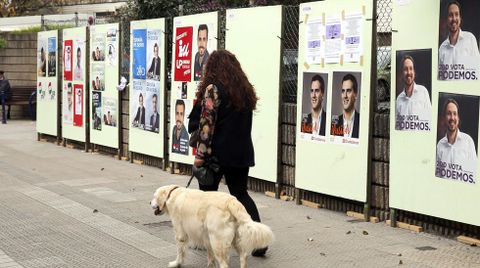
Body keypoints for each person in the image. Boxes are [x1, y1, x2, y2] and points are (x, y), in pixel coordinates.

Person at [192, 49, 267, 257]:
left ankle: (207, 240)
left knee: (207, 197)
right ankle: (259, 241)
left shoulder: (212, 89)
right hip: (241, 153)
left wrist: (200, 157)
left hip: (216, 155)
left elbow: (206, 127)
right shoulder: (243, 91)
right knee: (241, 194)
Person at [436, 99, 477, 177]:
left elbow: (474, 174)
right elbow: (438, 175)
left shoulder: (468, 141)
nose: (452, 118)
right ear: (444, 118)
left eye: (455, 114)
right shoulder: (440, 145)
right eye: (448, 113)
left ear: (458, 118)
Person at [438, 1, 480, 70]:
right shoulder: (442, 48)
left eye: (456, 14)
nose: (454, 19)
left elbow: (477, 70)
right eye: (450, 15)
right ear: (446, 19)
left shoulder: (470, 39)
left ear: (460, 18)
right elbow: (442, 78)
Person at [396, 55, 432, 130]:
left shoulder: (423, 92)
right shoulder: (399, 99)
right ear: (402, 73)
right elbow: (398, 127)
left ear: (414, 72)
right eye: (405, 69)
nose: (409, 72)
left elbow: (430, 121)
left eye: (411, 69)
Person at [331, 74, 360, 138]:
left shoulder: (361, 121)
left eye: (348, 91)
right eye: (343, 91)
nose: (345, 96)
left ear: (355, 94)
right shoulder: (333, 123)